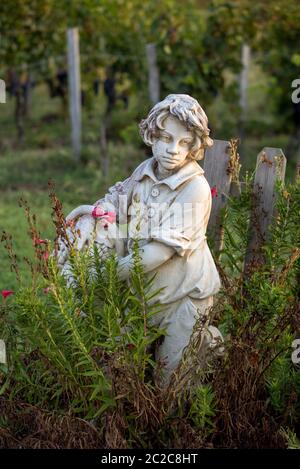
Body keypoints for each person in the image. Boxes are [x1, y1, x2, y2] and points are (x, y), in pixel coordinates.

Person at [58, 94, 223, 385]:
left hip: (183, 300)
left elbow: (157, 254)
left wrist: (101, 275)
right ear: (152, 135)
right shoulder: (144, 173)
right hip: (142, 296)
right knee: (117, 372)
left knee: (171, 385)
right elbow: (115, 203)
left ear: (194, 146)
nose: (174, 150)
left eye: (184, 143)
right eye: (167, 138)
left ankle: (204, 360)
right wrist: (90, 218)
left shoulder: (194, 189)